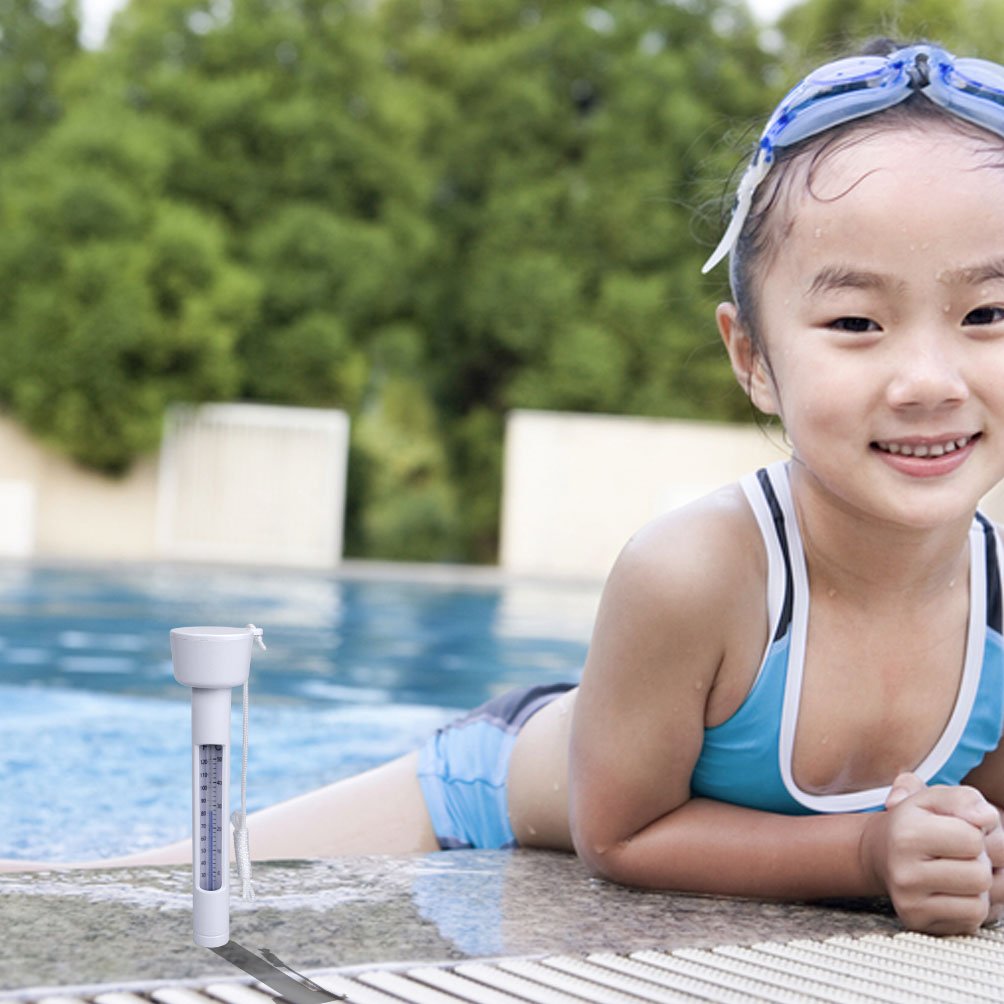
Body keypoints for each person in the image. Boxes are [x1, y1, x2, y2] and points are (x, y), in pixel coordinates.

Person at [8, 38, 1004, 938]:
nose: (925, 377)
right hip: (493, 785)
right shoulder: (696, 572)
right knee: (126, 887)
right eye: (854, 324)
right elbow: (618, 834)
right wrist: (864, 856)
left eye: (985, 311)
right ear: (749, 356)